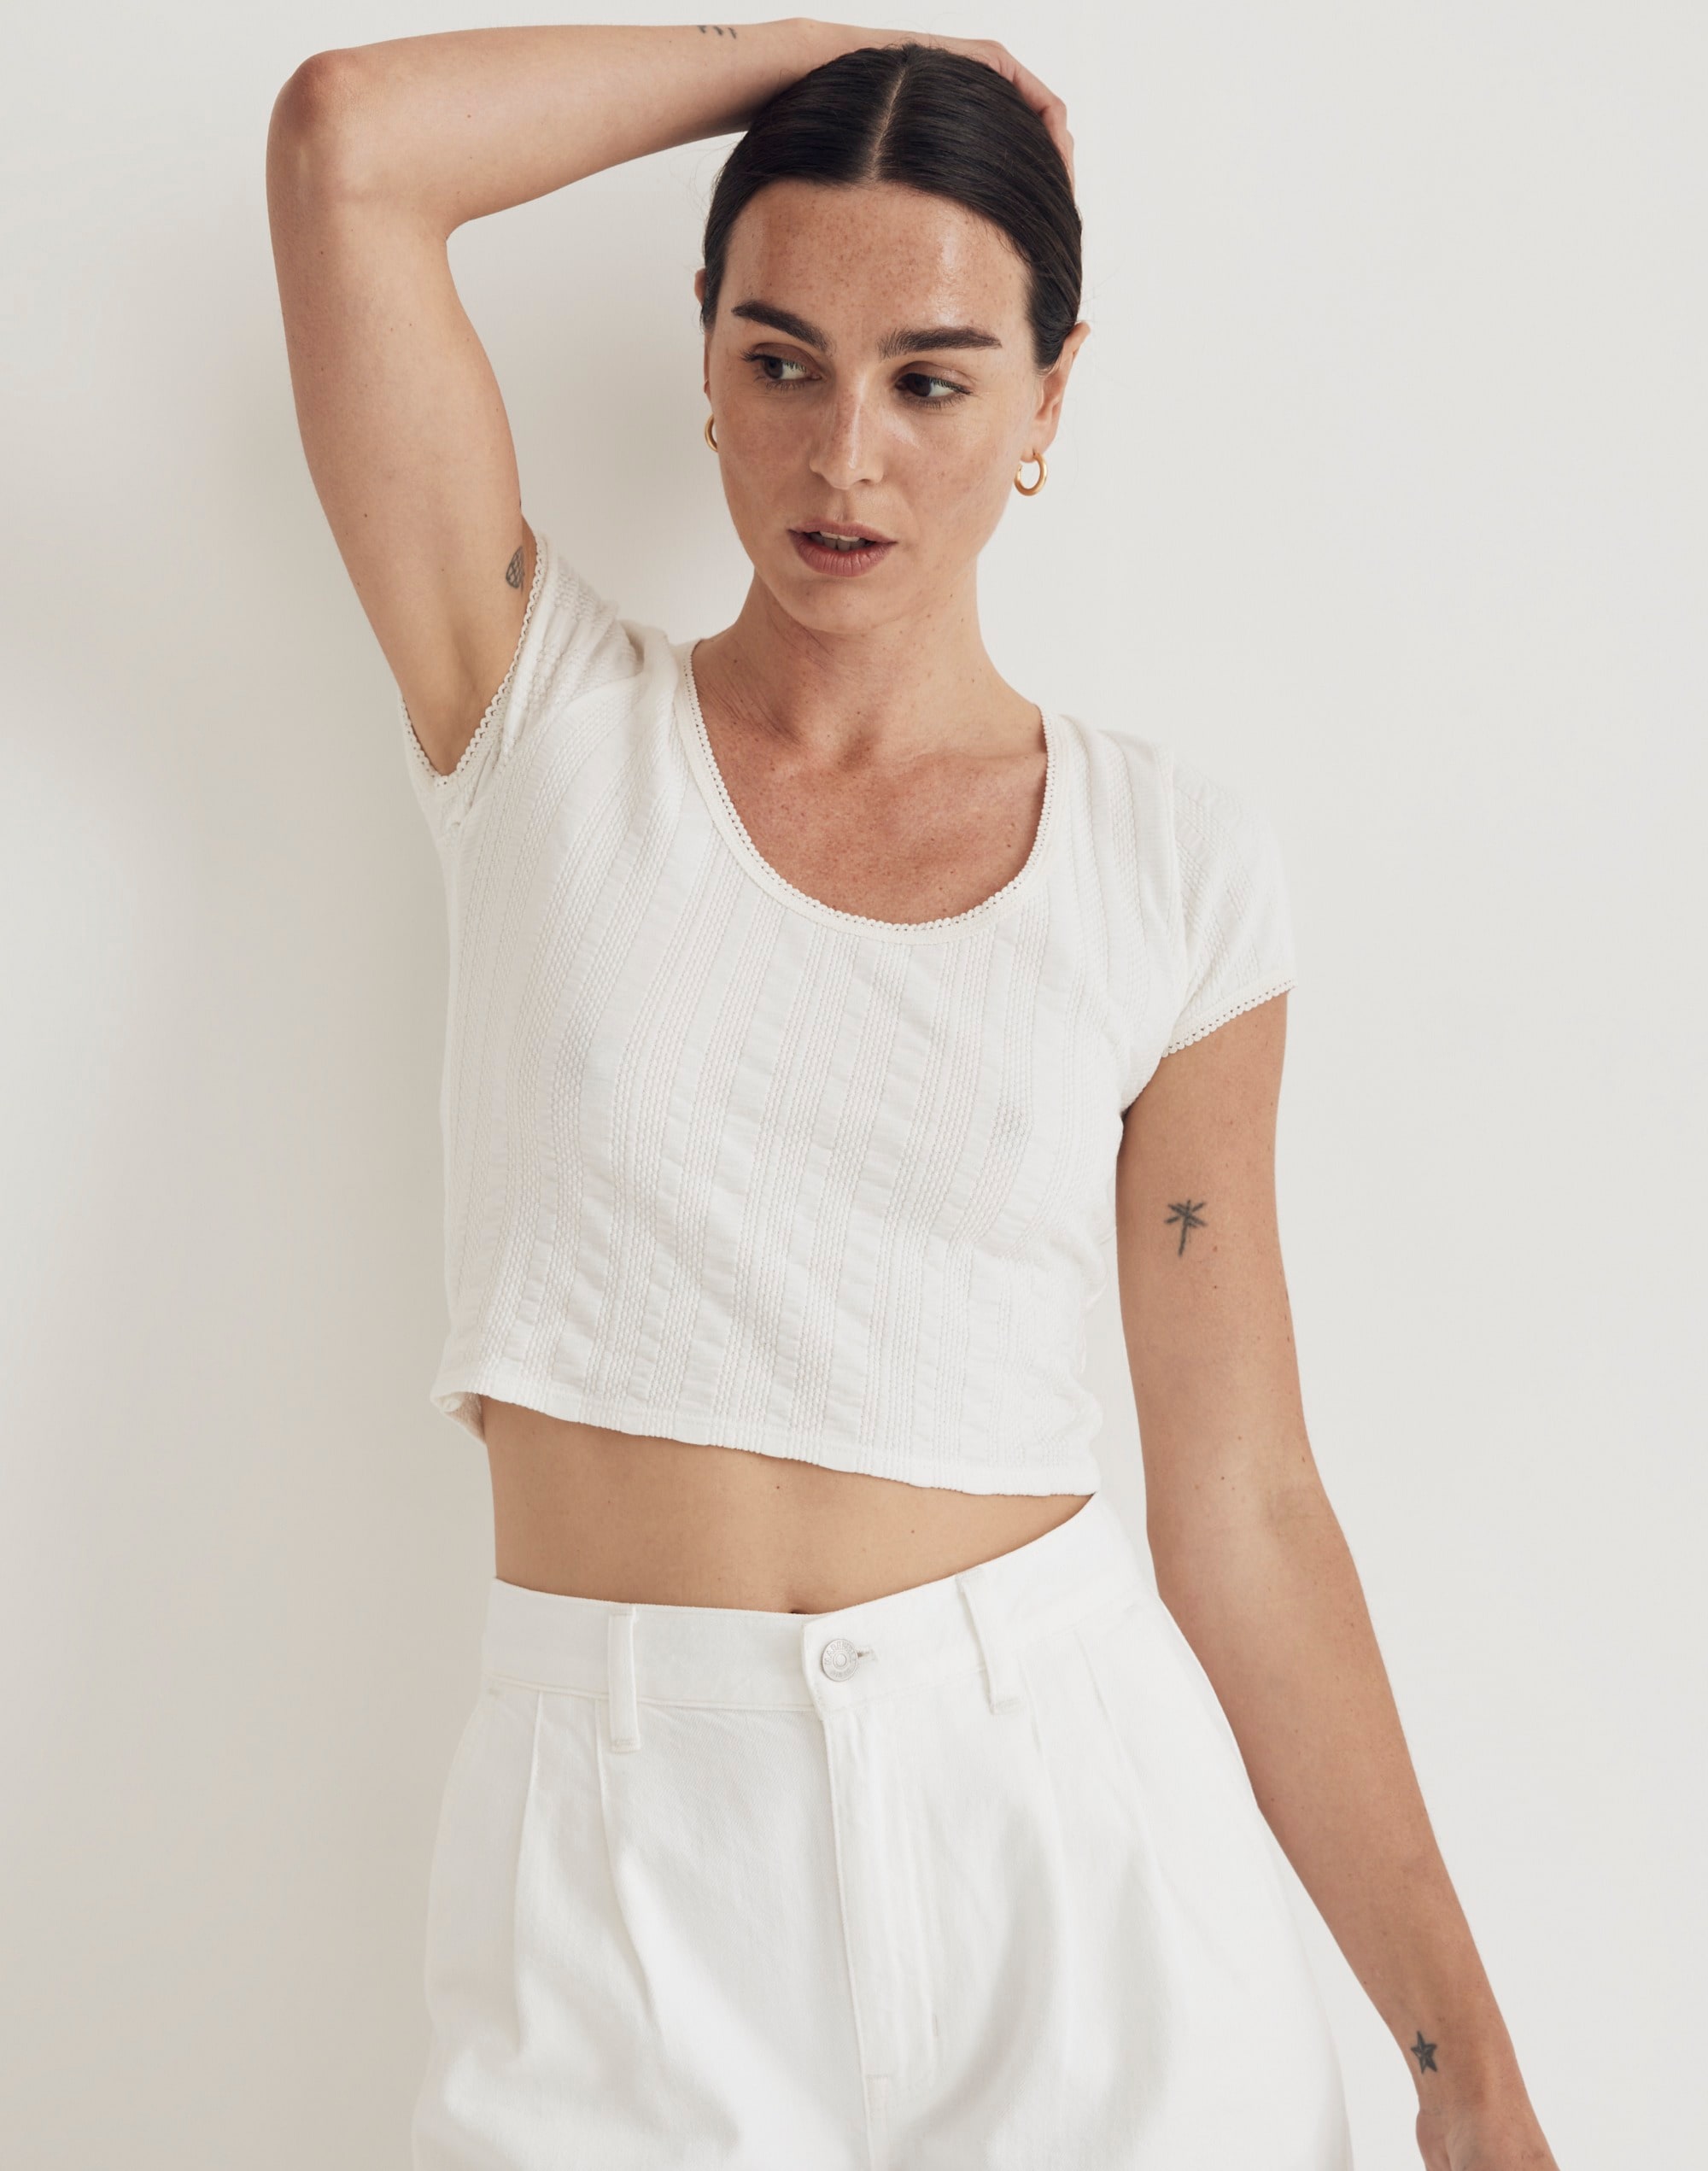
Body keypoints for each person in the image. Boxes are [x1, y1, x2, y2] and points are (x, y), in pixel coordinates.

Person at [266, 20, 1559, 2170]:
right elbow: (346, 148)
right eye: (779, 360)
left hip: (1074, 1847)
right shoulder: (539, 728)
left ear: (1049, 398)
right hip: (622, 1874)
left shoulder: (1169, 866)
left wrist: (1464, 2061)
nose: (842, 457)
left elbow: (1241, 1500)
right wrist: (836, 54)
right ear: (701, 359)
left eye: (932, 380)